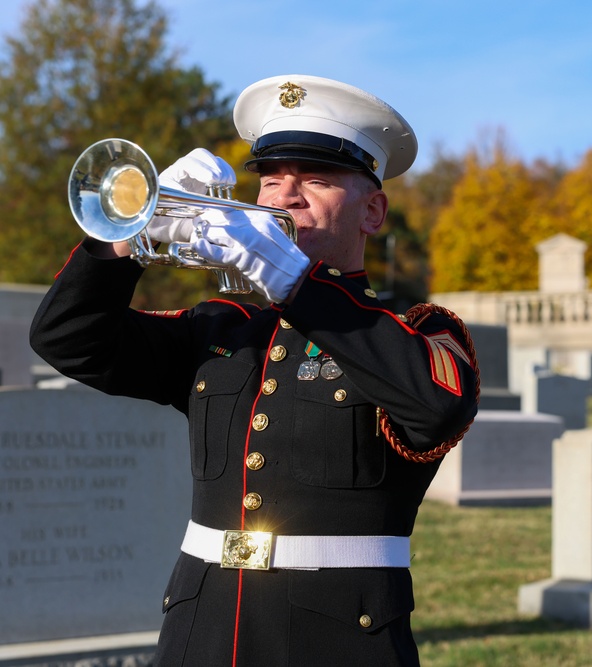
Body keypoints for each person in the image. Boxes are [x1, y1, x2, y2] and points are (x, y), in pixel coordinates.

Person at [30, 74, 479, 666]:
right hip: (200, 629)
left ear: (372, 210)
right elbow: (66, 338)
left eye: (315, 180)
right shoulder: (220, 326)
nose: (285, 196)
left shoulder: (418, 330)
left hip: (339, 640)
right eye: (270, 180)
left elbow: (437, 405)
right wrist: (128, 240)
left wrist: (297, 284)